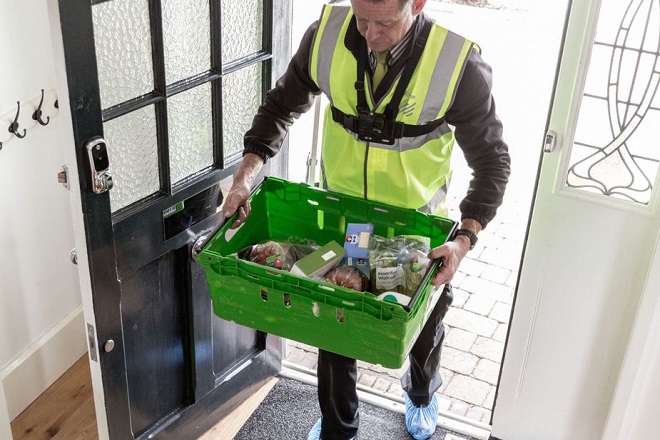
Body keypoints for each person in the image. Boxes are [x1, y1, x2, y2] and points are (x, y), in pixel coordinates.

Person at [222, 0, 510, 438]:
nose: (370, 33)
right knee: (336, 328)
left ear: (417, 3)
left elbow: (492, 162)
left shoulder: (457, 65)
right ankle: (340, 428)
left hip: (416, 234)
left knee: (424, 329)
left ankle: (421, 393)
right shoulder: (326, 34)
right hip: (344, 225)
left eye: (385, 22)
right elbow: (281, 107)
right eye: (362, 18)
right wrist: (245, 176)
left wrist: (463, 239)